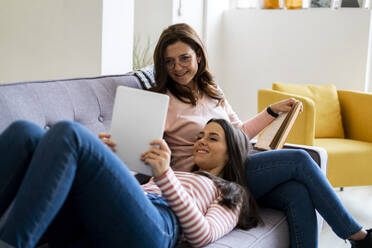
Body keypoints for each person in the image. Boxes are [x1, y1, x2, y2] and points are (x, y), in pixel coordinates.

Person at [99, 23, 372, 248]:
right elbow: (143, 153)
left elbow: (237, 133)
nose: (177, 67)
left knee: (297, 193)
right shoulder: (162, 101)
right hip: (206, 177)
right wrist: (117, 146)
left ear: (199, 57)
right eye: (169, 62)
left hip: (234, 169)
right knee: (299, 159)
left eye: (184, 58)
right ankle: (357, 236)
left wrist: (270, 113)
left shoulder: (211, 90)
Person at [0, 118, 261, 248]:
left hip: (158, 229)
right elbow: (128, 197)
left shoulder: (232, 191)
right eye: (200, 136)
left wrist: (165, 175)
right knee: (26, 132)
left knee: (70, 133)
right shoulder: (175, 172)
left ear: (232, 152)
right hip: (108, 219)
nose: (201, 141)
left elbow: (202, 235)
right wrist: (103, 161)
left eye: (213, 138)